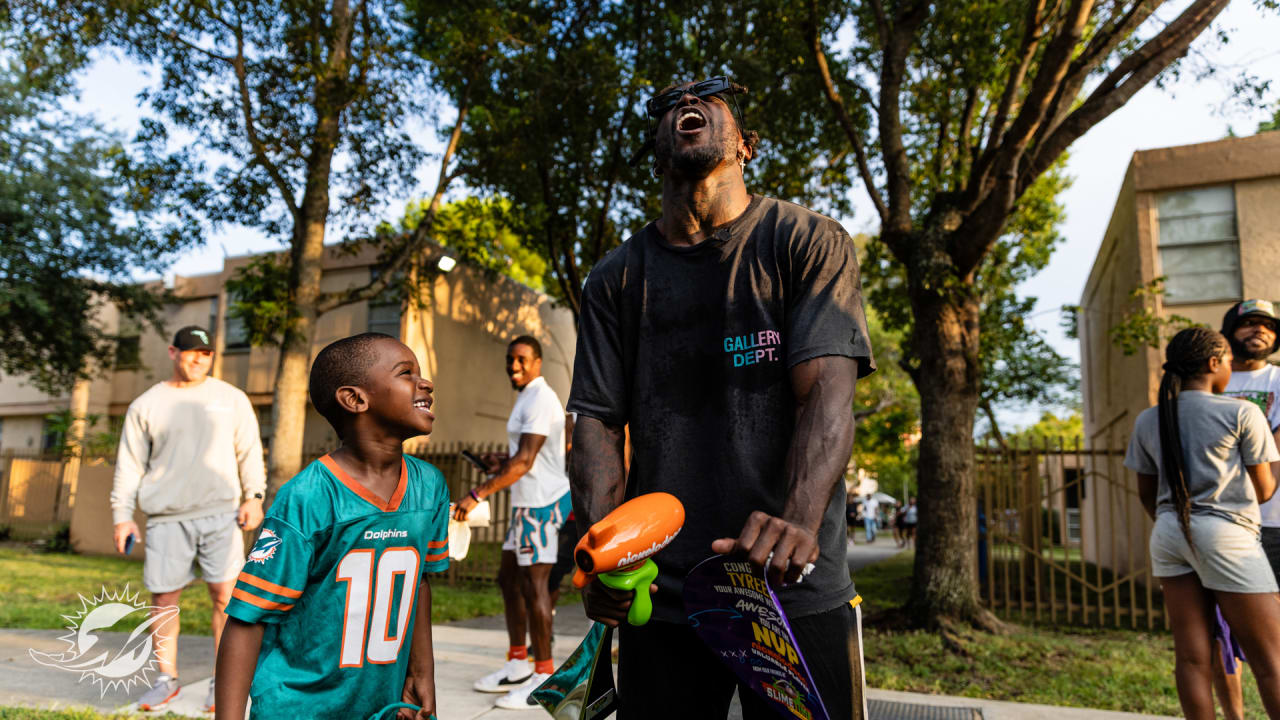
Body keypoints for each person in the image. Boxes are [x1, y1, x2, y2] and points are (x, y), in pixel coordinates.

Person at [567, 75, 875, 719]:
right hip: (664, 595)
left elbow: (826, 393)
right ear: (657, 145)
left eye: (709, 97)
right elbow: (595, 418)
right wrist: (605, 553)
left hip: (794, 588)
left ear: (746, 144)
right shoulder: (614, 278)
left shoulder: (807, 241)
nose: (686, 101)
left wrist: (798, 517)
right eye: (669, 101)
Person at [215, 332, 448, 720]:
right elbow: (247, 619)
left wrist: (421, 673)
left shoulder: (430, 487)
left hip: (382, 705)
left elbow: (418, 581)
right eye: (406, 373)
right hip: (299, 707)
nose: (425, 383)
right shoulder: (309, 497)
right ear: (355, 399)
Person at [1124, 327, 1280, 719]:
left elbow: (1145, 490)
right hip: (1227, 536)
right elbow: (1264, 491)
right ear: (1214, 364)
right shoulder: (1243, 412)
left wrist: (1173, 522)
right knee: (1271, 658)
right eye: (1228, 359)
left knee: (1192, 658)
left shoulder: (1148, 420)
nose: (1231, 366)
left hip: (1169, 533)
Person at [110, 325, 266, 712]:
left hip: (220, 513)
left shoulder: (230, 398)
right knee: (164, 599)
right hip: (166, 516)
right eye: (191, 351)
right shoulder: (146, 405)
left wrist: (255, 497)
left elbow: (249, 452)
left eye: (206, 353)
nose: (198, 359)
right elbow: (129, 465)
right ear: (172, 352)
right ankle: (166, 680)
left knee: (227, 598)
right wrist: (122, 516)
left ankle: (222, 680)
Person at [453, 335, 572, 709]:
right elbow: (519, 457)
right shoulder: (526, 397)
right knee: (508, 577)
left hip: (542, 505)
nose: (513, 365)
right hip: (526, 505)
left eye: (521, 359)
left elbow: (526, 462)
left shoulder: (539, 397)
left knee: (536, 587)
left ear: (537, 362)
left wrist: (477, 494)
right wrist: (499, 461)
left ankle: (544, 676)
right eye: (509, 359)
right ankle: (519, 663)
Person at [1213, 299, 1280, 718]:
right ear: (1229, 331)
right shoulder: (1210, 380)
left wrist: (1257, 496)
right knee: (1221, 630)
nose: (1259, 330)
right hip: (1220, 524)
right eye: (1249, 323)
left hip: (1273, 521)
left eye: (1267, 325)